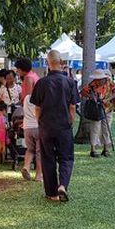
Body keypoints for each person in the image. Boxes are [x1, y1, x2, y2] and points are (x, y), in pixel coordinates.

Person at [30, 50, 78, 202]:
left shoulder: (41, 82)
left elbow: (37, 108)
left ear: (47, 63)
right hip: (64, 125)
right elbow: (72, 106)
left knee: (48, 158)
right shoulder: (70, 82)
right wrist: (71, 120)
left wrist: (39, 121)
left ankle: (52, 193)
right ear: (61, 62)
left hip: (46, 126)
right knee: (66, 157)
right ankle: (63, 184)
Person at [80, 69, 115, 157]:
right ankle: (93, 150)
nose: (98, 81)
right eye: (97, 79)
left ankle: (106, 149)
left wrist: (107, 99)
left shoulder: (109, 81)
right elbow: (82, 92)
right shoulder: (92, 84)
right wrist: (91, 96)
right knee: (95, 128)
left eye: (100, 79)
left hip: (108, 108)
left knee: (106, 128)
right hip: (97, 110)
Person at [21, 91, 42, 182]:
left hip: (27, 127)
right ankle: (38, 175)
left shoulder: (26, 98)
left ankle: (26, 166)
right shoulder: (41, 98)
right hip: (38, 127)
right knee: (39, 152)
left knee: (29, 150)